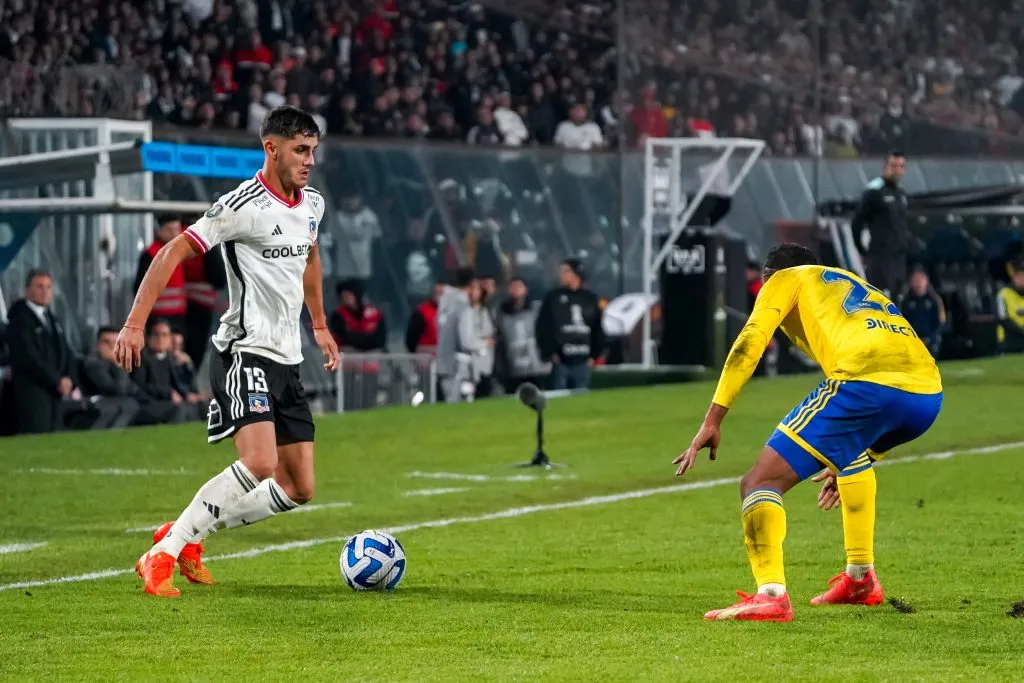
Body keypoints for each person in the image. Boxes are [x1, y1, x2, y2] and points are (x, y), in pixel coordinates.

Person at [114, 105, 339, 598]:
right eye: (300, 150)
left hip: (287, 359)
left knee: (299, 488)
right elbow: (172, 251)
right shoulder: (243, 205)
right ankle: (163, 553)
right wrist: (134, 324)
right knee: (259, 463)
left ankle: (189, 534)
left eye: (313, 152)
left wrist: (319, 324)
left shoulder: (313, 205)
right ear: (271, 148)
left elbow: (311, 257)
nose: (309, 161)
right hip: (244, 352)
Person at [673, 244, 943, 622]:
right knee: (849, 460)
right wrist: (866, 450)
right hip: (928, 394)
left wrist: (713, 419)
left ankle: (771, 595)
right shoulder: (850, 282)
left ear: (769, 276)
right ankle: (860, 577)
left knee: (758, 482)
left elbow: (749, 343)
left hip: (866, 381)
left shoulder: (785, 279)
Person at [4, 269, 81, 434]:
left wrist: (68, 378)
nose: (45, 291)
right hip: (32, 392)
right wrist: (56, 380)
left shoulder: (52, 319)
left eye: (48, 287)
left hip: (55, 392)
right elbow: (28, 357)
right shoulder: (19, 319)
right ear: (27, 289)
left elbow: (66, 352)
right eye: (40, 286)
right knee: (36, 435)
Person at [536, 258, 604, 391]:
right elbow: (543, 326)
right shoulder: (553, 297)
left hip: (583, 359)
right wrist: (549, 352)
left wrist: (594, 355)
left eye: (565, 271)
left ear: (576, 274)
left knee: (581, 396)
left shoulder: (590, 298)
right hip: (560, 360)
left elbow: (597, 327)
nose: (561, 275)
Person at [852, 152, 909, 297]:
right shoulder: (874, 192)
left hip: (899, 259)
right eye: (893, 166)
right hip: (880, 258)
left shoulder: (901, 194)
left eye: (901, 166)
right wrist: (862, 250)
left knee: (897, 303)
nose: (897, 170)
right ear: (885, 167)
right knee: (878, 300)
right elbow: (857, 222)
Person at [135, 215, 188, 334]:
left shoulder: (180, 252)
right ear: (160, 231)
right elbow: (140, 287)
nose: (175, 234)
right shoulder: (150, 254)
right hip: (157, 315)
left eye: (177, 230)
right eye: (170, 230)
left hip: (179, 314)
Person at [495, 277, 548, 394]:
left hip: (538, 367)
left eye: (519, 287)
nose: (516, 290)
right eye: (512, 287)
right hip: (514, 369)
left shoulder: (536, 310)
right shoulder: (502, 314)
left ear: (525, 290)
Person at [435, 266, 476, 402]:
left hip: (444, 363)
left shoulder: (444, 303)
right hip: (460, 365)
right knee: (463, 407)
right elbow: (466, 341)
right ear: (471, 285)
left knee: (449, 405)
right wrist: (483, 344)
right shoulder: (463, 306)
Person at [458, 278, 497, 399]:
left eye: (476, 289)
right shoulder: (464, 311)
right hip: (468, 366)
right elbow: (466, 341)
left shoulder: (487, 310)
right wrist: (485, 343)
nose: (473, 292)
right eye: (471, 288)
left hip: (487, 364)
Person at [898, 268, 945, 357]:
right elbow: (902, 322)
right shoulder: (905, 301)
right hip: (912, 340)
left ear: (926, 281)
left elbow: (940, 322)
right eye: (915, 280)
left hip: (931, 339)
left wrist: (929, 339)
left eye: (920, 279)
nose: (918, 282)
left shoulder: (934, 300)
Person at [405, 282, 444, 355]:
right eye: (437, 293)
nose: (439, 296)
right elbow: (411, 338)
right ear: (432, 294)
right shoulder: (421, 312)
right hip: (426, 357)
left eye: (442, 293)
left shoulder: (453, 311)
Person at [996, 266, 1024, 353]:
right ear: (1014, 278)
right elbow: (1003, 320)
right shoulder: (1004, 294)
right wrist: (1022, 331)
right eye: (1020, 277)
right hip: (1009, 342)